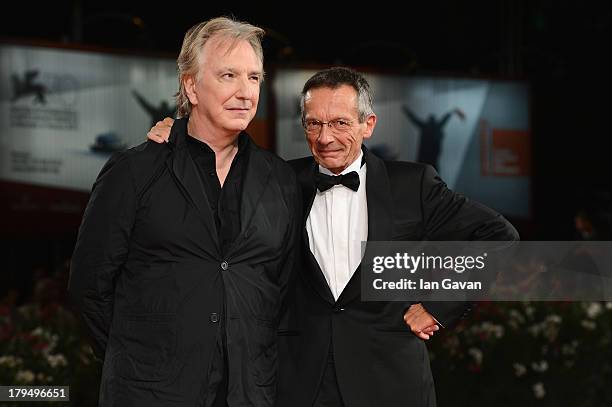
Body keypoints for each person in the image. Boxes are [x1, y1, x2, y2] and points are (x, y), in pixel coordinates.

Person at [147, 67, 518, 407]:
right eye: (313, 124)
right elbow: (214, 179)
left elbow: (500, 236)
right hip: (298, 383)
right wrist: (179, 137)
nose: (325, 138)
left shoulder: (413, 185)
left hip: (390, 384)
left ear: (367, 124)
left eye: (340, 123)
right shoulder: (278, 180)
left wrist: (441, 304)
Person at [68, 17, 300, 407]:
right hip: (149, 393)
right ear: (191, 85)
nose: (246, 92)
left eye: (254, 77)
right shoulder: (134, 171)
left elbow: (283, 291)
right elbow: (89, 286)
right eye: (229, 75)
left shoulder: (281, 179)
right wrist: (141, 362)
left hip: (248, 394)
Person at [401, 105, 465, 170]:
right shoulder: (438, 126)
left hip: (423, 158)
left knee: (422, 174)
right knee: (434, 175)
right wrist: (455, 111)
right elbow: (446, 117)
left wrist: (406, 110)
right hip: (433, 159)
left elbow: (413, 118)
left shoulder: (425, 126)